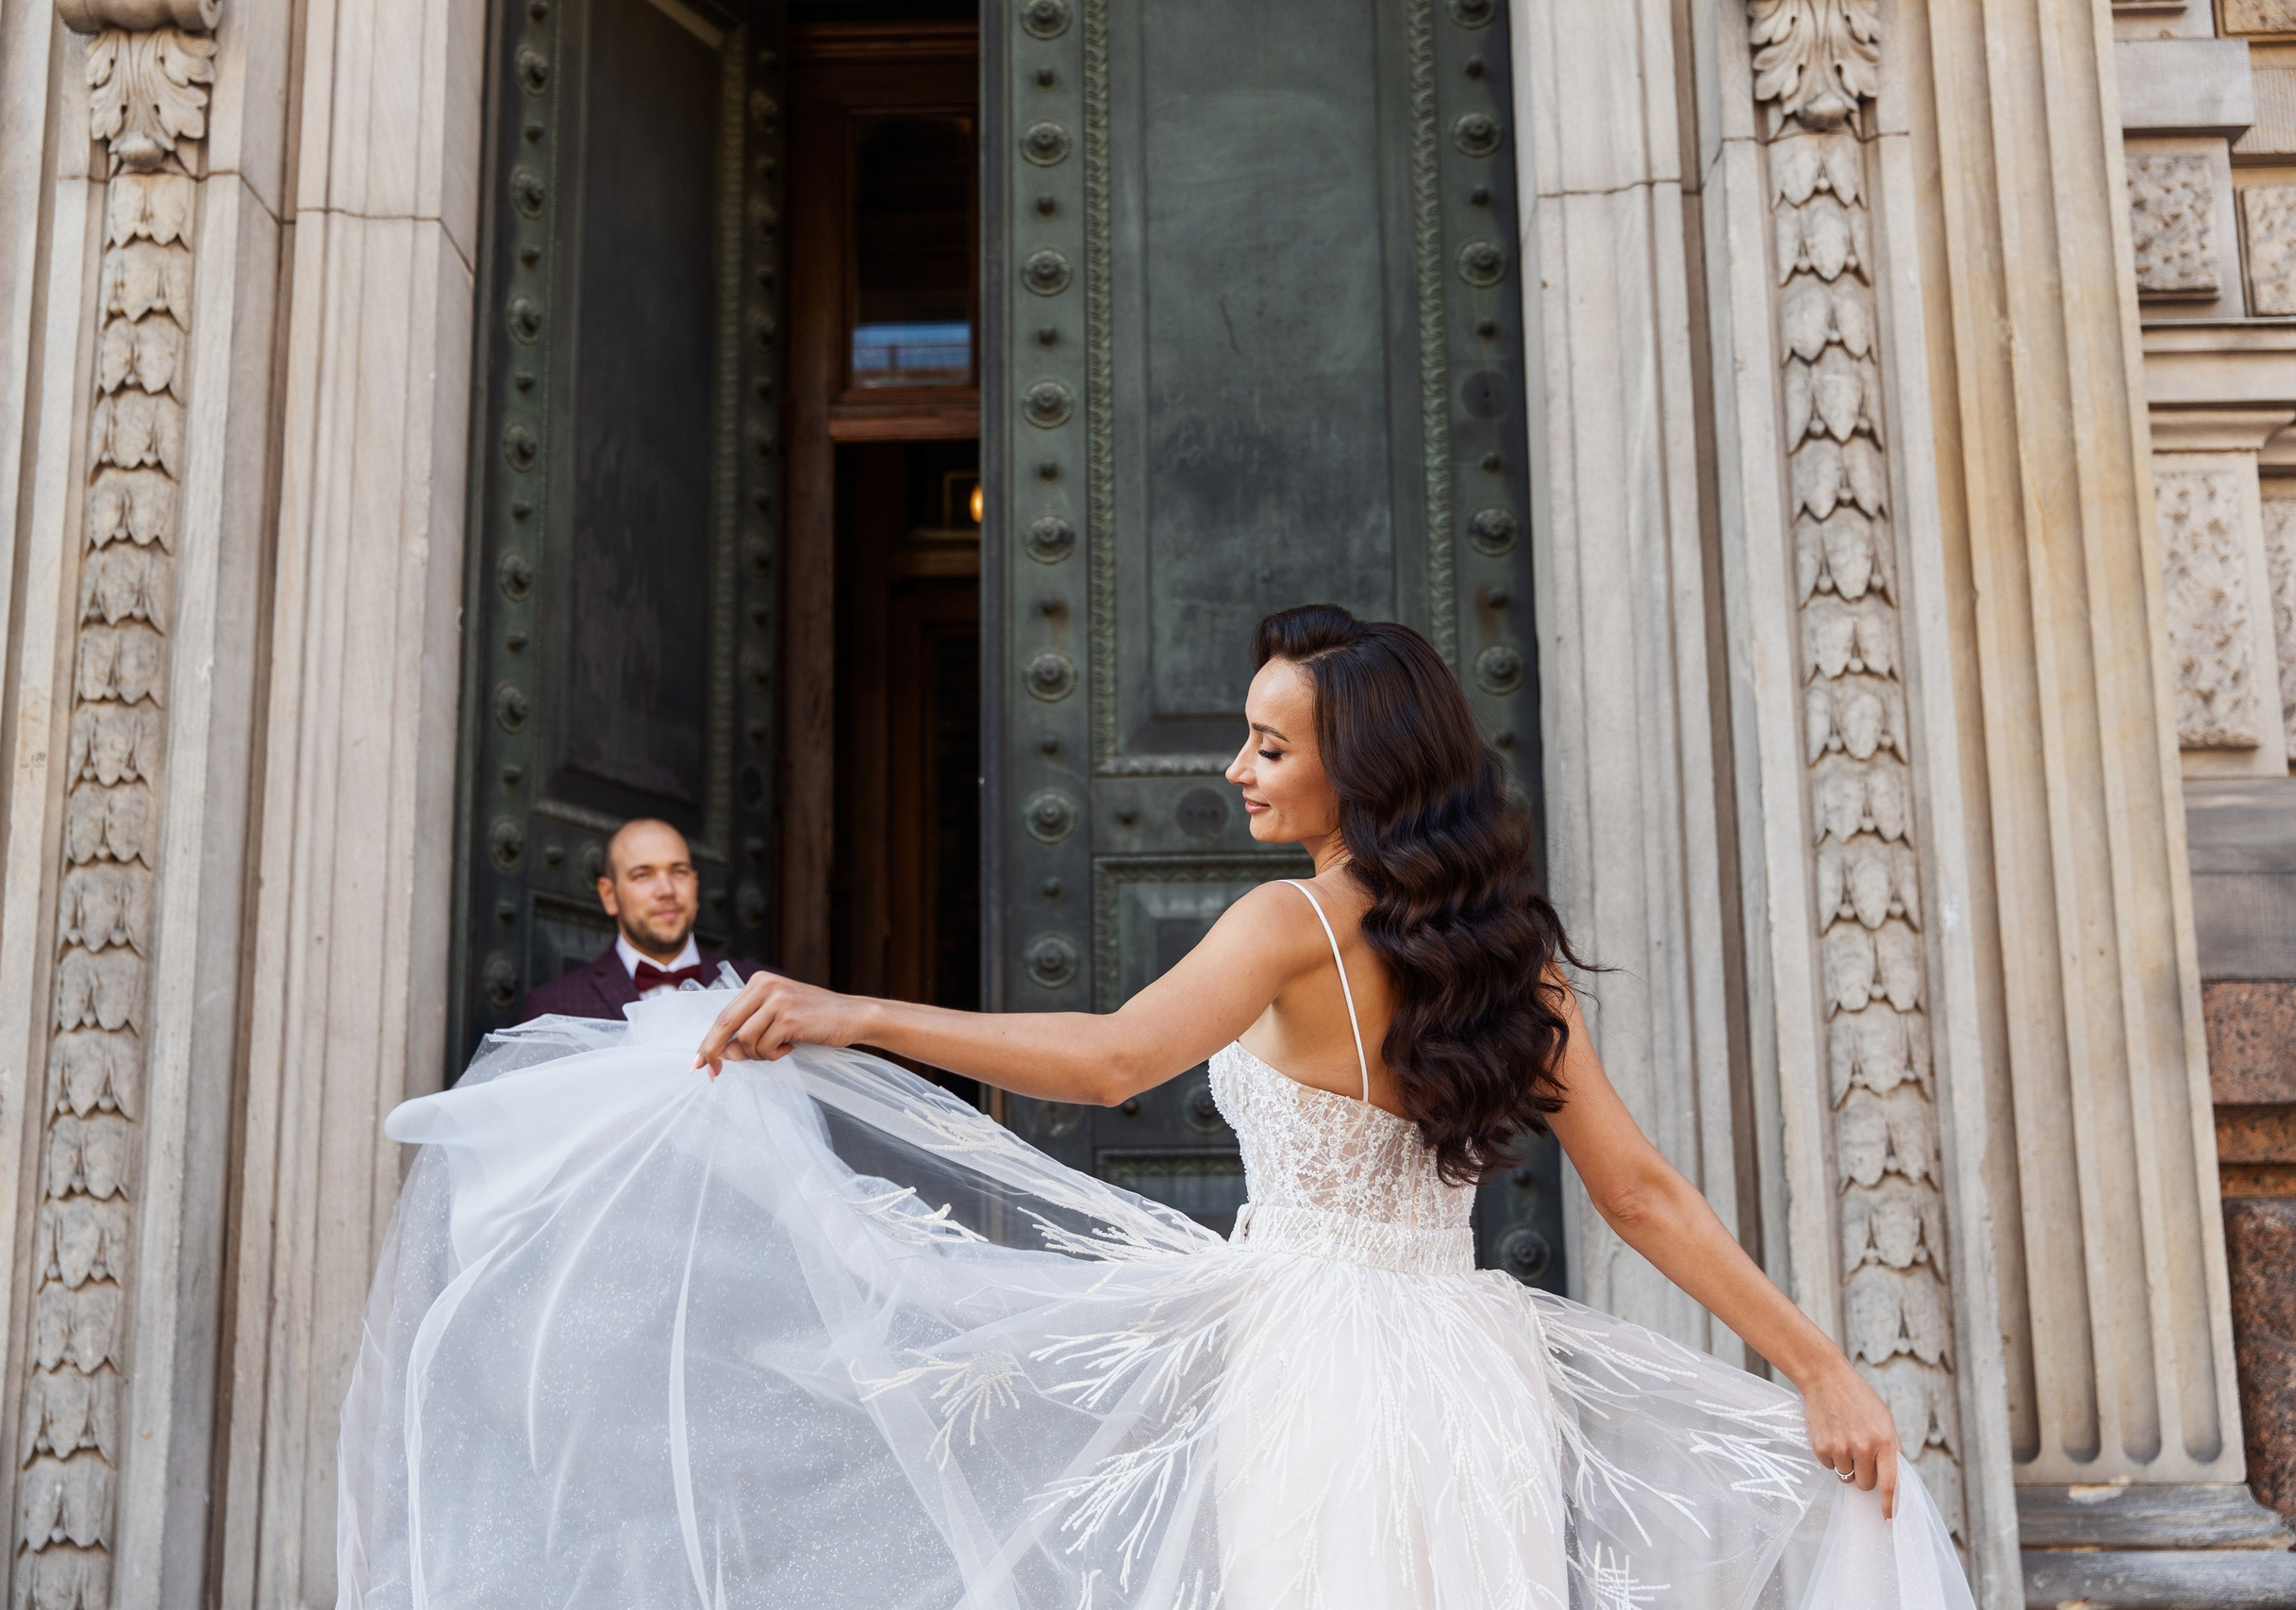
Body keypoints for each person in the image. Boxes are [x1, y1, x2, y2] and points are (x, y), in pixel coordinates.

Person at [338, 606, 1973, 1610]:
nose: (1239, 770)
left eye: (1271, 746)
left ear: (1362, 771)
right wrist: (1819, 1362)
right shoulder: (1503, 958)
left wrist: (854, 1010)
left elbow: (1114, 1059)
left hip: (1316, 1367)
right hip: (1473, 1366)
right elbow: (1644, 1196)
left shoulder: (1288, 928)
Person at [516, 817, 757, 1021]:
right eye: (643, 875)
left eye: (679, 872)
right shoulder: (554, 1008)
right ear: (609, 895)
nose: (666, 890)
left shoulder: (758, 991)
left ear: (695, 884)